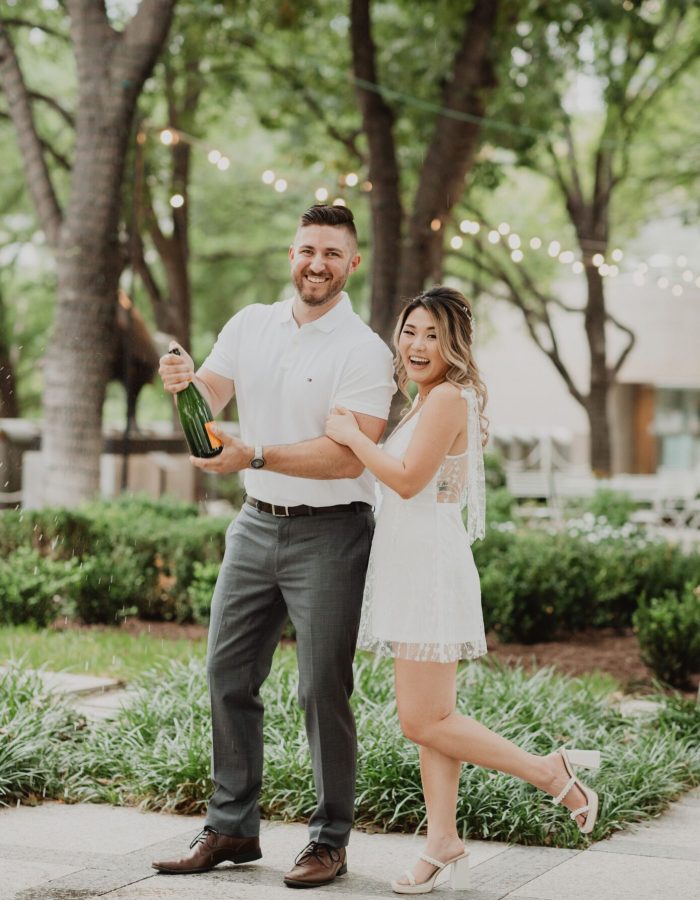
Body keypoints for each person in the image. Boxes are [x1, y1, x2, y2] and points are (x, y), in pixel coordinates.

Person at [325, 286, 601, 895]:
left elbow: (405, 479)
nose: (418, 345)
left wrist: (350, 434)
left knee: (421, 720)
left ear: (455, 346)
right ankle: (443, 840)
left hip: (427, 568)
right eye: (411, 331)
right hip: (411, 563)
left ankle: (549, 773)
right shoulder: (424, 401)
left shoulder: (447, 397)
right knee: (434, 718)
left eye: (432, 335)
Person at [152, 204, 395, 889]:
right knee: (227, 675)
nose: (316, 263)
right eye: (306, 249)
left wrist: (254, 451)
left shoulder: (365, 350)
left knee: (322, 688)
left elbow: (348, 459)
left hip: (332, 531)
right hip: (254, 524)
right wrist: (184, 386)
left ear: (353, 264)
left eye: (331, 253)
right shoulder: (250, 323)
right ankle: (231, 828)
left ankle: (329, 840)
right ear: (291, 254)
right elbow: (212, 395)